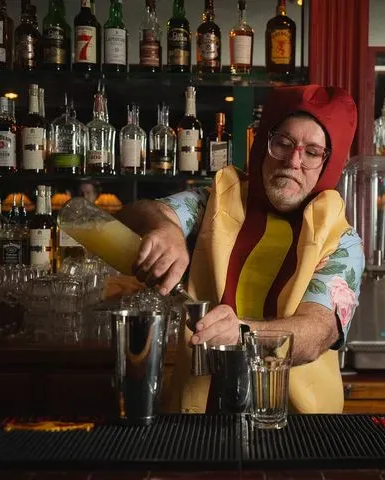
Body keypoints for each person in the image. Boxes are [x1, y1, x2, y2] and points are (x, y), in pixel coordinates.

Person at [116, 85, 364, 414]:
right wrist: (163, 227)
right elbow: (135, 214)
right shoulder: (214, 203)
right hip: (199, 419)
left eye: (312, 152)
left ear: (327, 164)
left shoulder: (342, 240)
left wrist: (243, 334)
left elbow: (318, 331)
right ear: (263, 144)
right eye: (283, 143)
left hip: (297, 423)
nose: (293, 161)